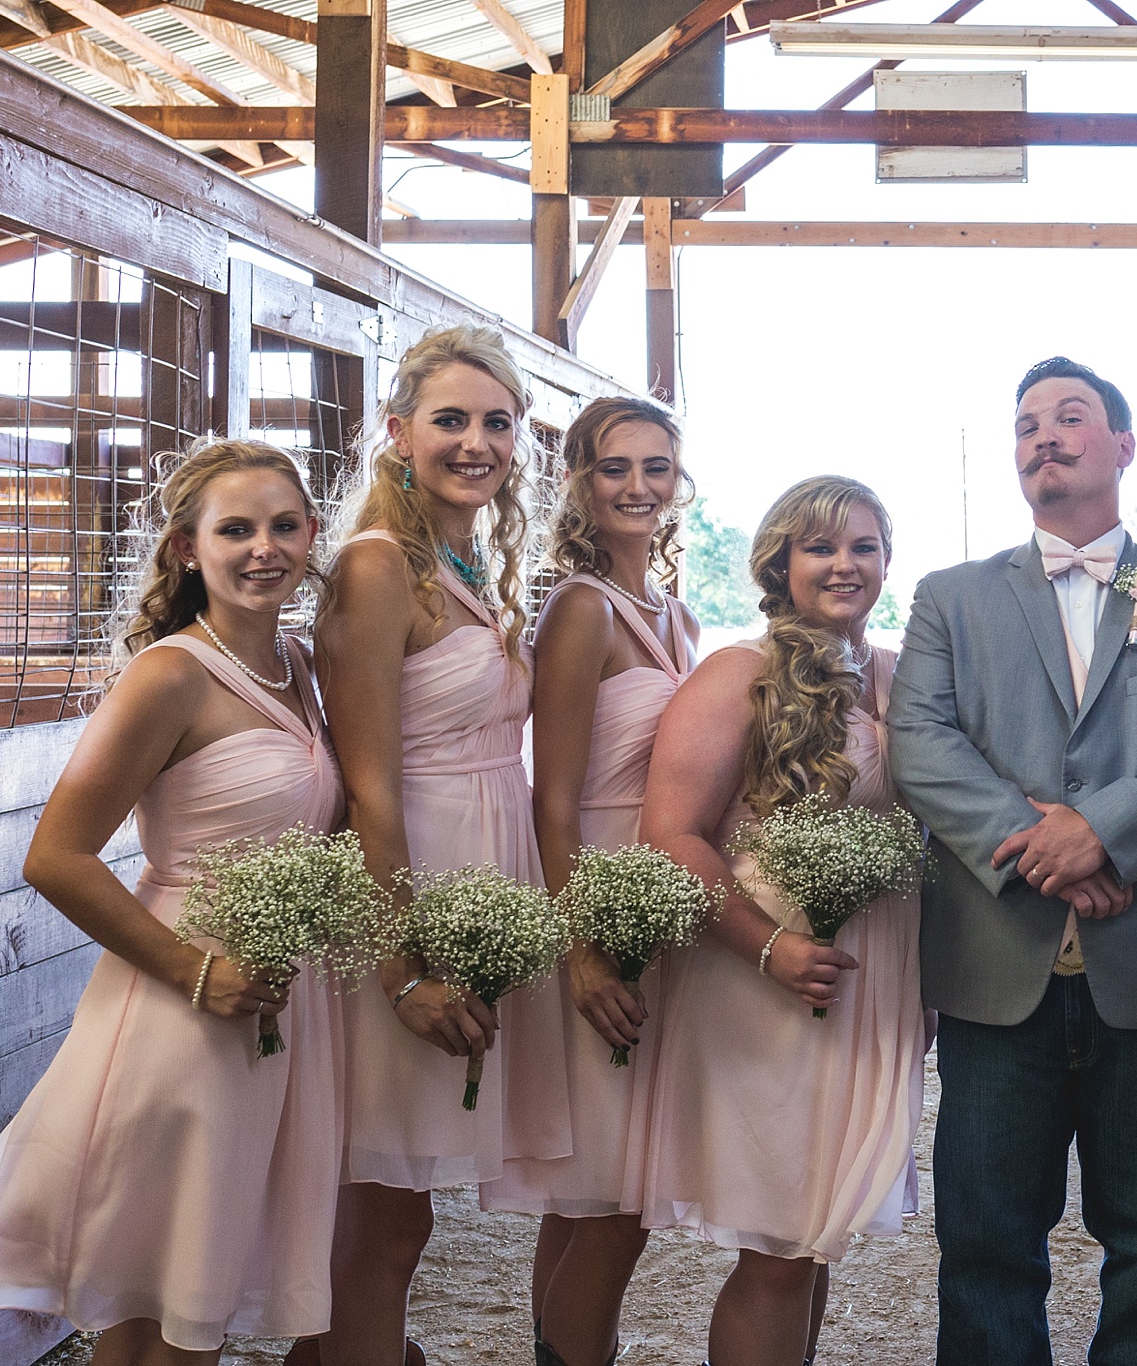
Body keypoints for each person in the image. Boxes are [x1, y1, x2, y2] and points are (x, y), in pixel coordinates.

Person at [890, 356, 1137, 1365]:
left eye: (1069, 417)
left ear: (1122, 446)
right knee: (982, 1239)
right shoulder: (948, 598)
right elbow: (921, 747)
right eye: (1026, 424)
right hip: (991, 959)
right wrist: (1042, 850)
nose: (1043, 436)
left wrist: (1096, 830)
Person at [0, 440, 343, 1363]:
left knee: (183, 1285)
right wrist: (195, 971)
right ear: (186, 548)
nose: (266, 548)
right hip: (181, 997)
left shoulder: (300, 664)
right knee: (172, 1299)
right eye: (236, 529)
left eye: (285, 526)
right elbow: (55, 856)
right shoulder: (170, 674)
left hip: (275, 995)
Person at [312, 325, 570, 1365]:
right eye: (450, 419)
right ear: (397, 430)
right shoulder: (376, 566)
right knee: (385, 1206)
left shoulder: (472, 562)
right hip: (408, 894)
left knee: (400, 1201)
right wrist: (398, 963)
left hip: (482, 880)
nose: (475, 442)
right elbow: (364, 780)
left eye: (495, 422)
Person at [632, 476, 925, 1366]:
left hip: (868, 975)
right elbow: (669, 832)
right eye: (822, 547)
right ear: (779, 563)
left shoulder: (896, 672)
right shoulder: (738, 672)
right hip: (766, 975)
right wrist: (771, 946)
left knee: (816, 1234)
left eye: (864, 547)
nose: (846, 565)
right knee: (781, 1249)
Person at [480, 397, 699, 1366]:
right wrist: (579, 953)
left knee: (592, 1191)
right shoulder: (579, 608)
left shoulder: (675, 609)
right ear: (579, 481)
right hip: (595, 909)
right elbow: (551, 798)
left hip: (659, 909)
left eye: (657, 467)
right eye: (616, 467)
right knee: (622, 1195)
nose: (638, 487)